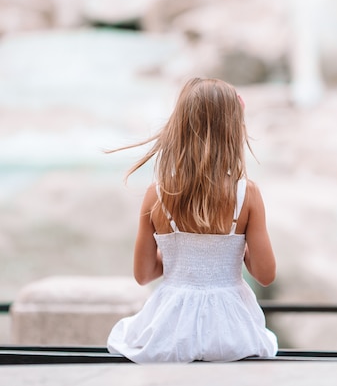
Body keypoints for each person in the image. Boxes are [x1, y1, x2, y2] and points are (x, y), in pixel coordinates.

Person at [106, 78, 278, 363]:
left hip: (170, 329)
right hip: (231, 330)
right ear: (234, 131)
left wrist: (179, 256)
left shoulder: (157, 195)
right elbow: (265, 274)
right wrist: (235, 249)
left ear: (179, 129)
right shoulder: (247, 195)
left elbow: (143, 274)